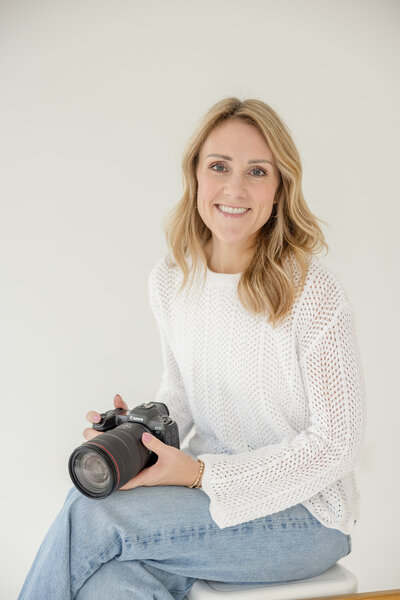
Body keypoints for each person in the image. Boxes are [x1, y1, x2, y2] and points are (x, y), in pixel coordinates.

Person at [18, 97, 366, 600]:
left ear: (280, 187)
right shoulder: (172, 280)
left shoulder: (313, 292)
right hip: (203, 500)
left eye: (257, 171)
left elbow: (337, 445)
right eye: (219, 166)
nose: (235, 188)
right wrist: (140, 430)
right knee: (114, 585)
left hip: (305, 517)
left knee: (91, 512)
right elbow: (179, 393)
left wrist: (203, 472)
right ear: (196, 177)